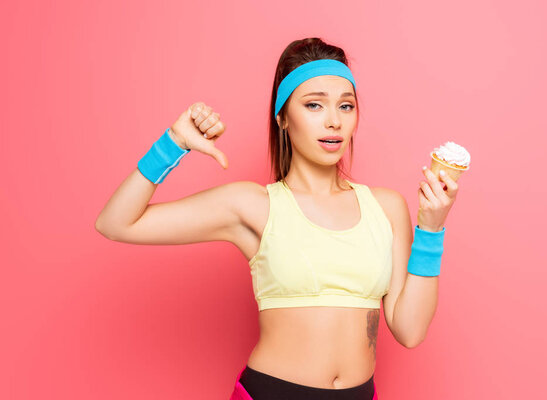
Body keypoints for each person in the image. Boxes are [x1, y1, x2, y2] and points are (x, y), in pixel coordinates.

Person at [95, 37, 459, 400]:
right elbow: (116, 223)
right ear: (283, 117)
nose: (334, 121)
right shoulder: (254, 205)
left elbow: (410, 331)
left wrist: (431, 227)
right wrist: (173, 143)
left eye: (346, 106)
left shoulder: (387, 207)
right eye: (314, 105)